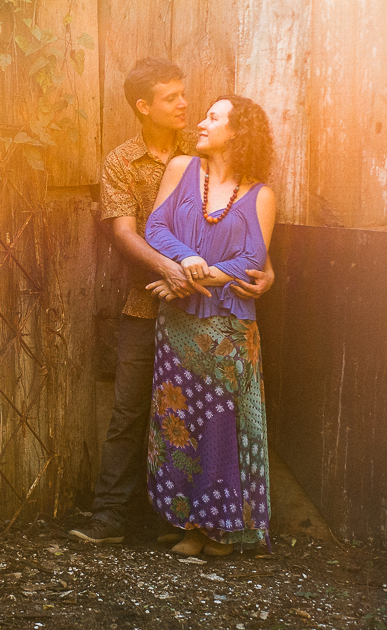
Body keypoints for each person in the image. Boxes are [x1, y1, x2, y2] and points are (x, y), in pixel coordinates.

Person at [69, 62, 273, 545]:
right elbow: (126, 233)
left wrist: (265, 274)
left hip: (212, 309)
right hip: (151, 304)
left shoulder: (204, 151)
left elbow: (251, 237)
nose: (186, 106)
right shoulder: (123, 161)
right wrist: (173, 269)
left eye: (187, 96)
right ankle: (111, 518)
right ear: (144, 107)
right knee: (133, 411)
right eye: (172, 98)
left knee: (210, 416)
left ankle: (196, 524)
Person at [143, 95, 276, 556]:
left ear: (238, 132)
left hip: (228, 332)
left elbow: (253, 260)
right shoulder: (182, 169)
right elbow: (155, 228)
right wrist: (188, 259)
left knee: (222, 426)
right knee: (178, 421)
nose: (201, 122)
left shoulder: (261, 195)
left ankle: (222, 529)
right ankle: (189, 526)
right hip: (178, 327)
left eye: (214, 118)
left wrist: (196, 278)